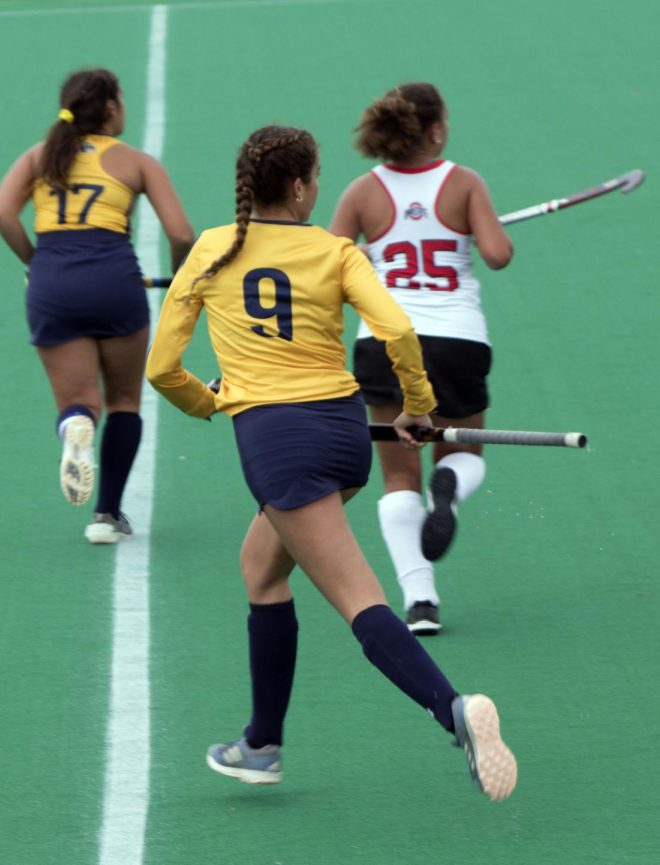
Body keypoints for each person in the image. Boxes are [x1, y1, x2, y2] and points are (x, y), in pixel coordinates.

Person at [145, 125, 517, 800]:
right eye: (315, 176)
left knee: (358, 601)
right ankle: (261, 742)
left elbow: (163, 369)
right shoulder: (335, 250)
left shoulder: (209, 251)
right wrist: (417, 408)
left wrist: (211, 403)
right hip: (345, 437)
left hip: (279, 445)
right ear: (298, 187)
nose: (318, 186)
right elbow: (397, 330)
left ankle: (454, 709)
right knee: (261, 569)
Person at [329, 82, 513, 634]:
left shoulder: (363, 191)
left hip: (384, 343)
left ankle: (420, 603)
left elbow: (328, 266)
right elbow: (499, 255)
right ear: (434, 130)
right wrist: (480, 233)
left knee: (398, 478)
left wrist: (360, 253)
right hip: (456, 339)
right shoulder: (463, 182)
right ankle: (450, 490)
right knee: (465, 453)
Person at [0, 67, 194, 544]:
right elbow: (182, 233)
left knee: (79, 402)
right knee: (125, 400)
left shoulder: (38, 156)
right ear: (109, 108)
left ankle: (76, 426)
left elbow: (2, 212)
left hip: (52, 284)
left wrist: (36, 262)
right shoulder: (136, 161)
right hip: (115, 283)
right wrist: (183, 280)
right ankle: (107, 515)